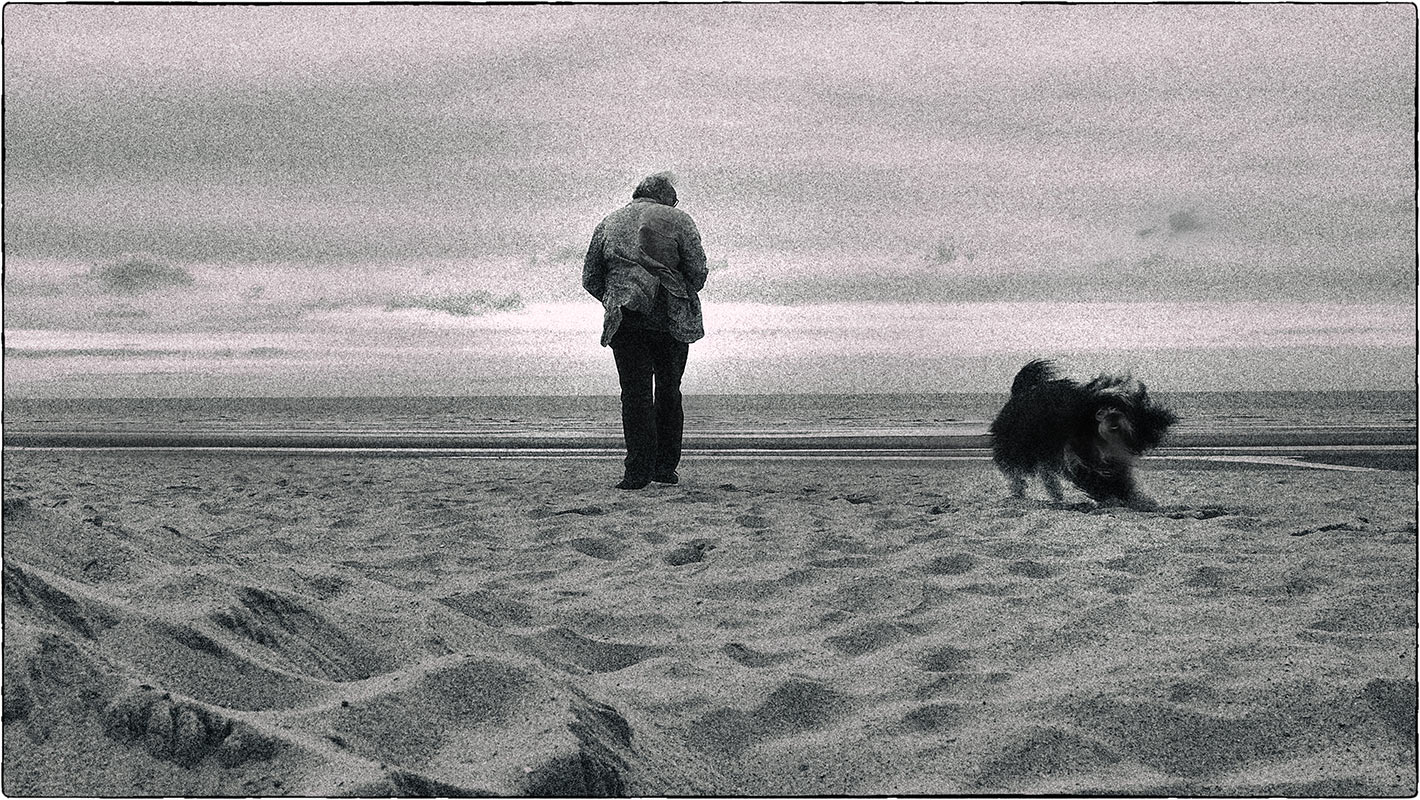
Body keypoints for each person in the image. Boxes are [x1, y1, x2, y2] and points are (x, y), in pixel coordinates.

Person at [582, 172, 708, 489]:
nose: (676, 204)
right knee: (668, 391)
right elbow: (697, 270)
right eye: (674, 200)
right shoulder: (678, 219)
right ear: (666, 197)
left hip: (625, 317)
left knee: (634, 395)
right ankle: (664, 468)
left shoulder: (609, 223)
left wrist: (615, 298)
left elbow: (590, 277)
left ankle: (637, 472)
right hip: (670, 316)